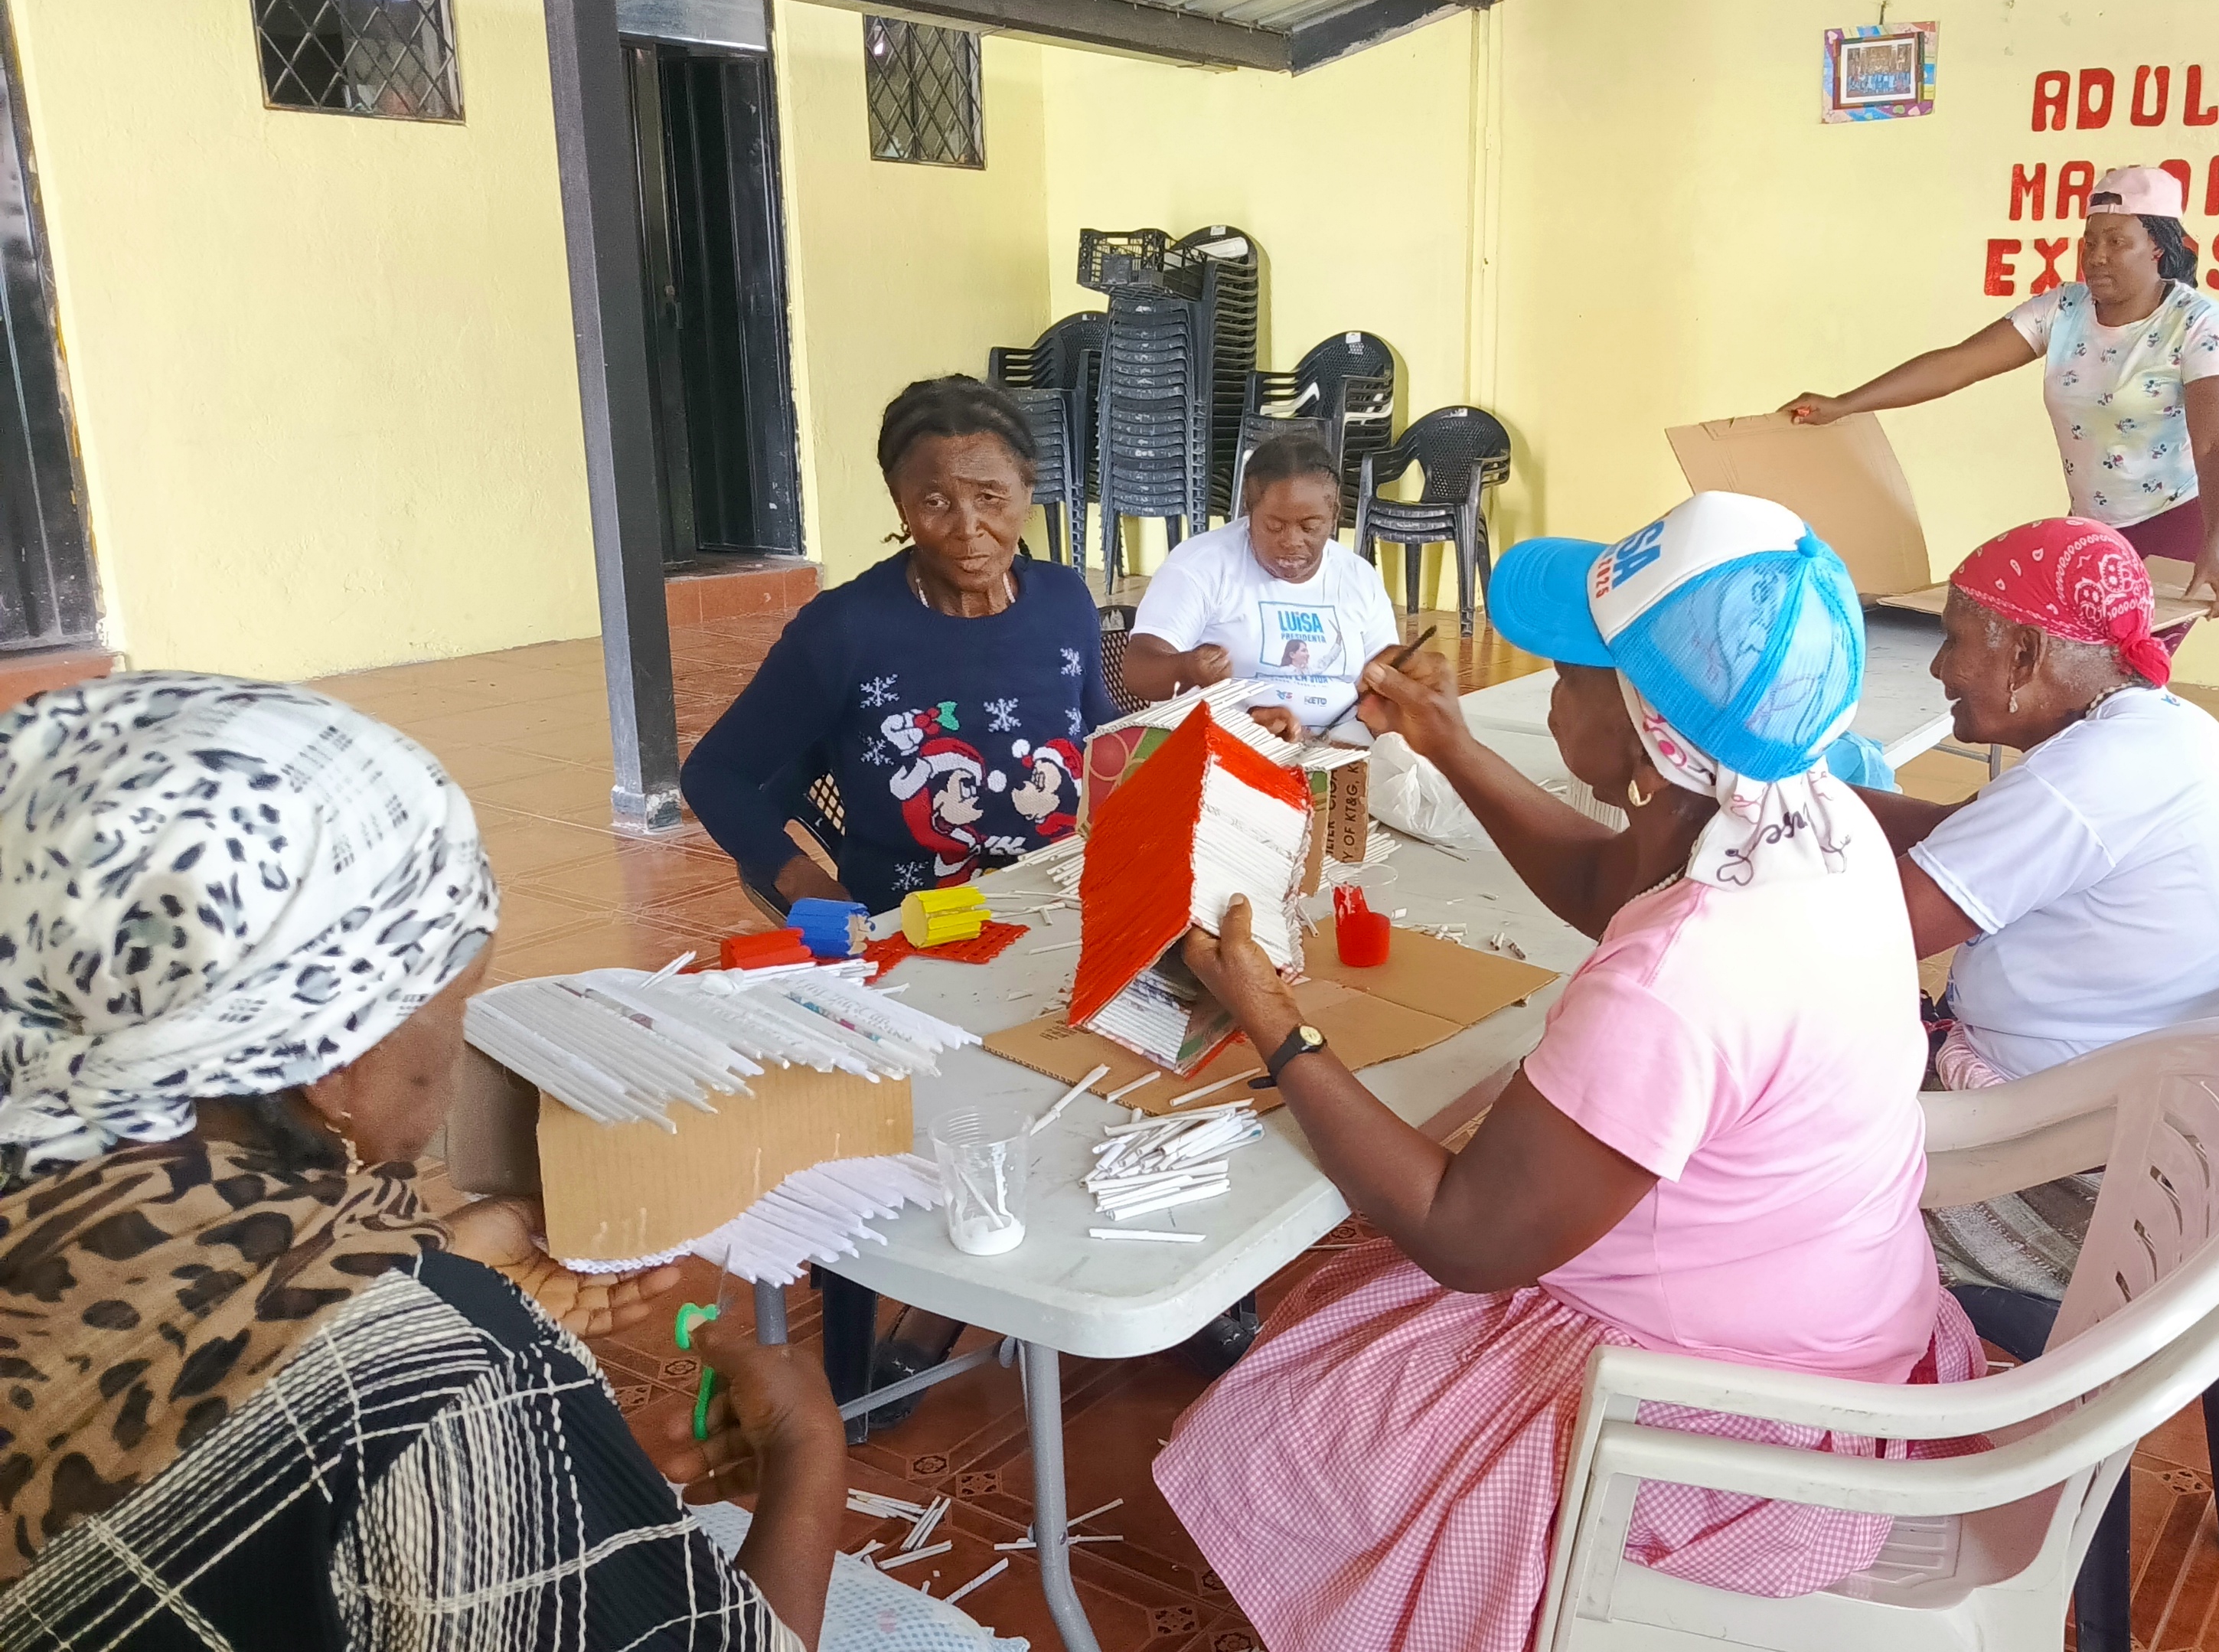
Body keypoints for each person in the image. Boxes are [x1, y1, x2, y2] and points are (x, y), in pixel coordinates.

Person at [1152, 492, 1982, 1652]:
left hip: (1735, 1428)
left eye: (1575, 672)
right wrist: (1449, 742)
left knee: (1298, 1416)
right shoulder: (1807, 814)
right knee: (1350, 1289)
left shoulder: (1682, 976)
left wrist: (1275, 1022)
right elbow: (1608, 888)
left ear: (1645, 729)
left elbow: (1467, 1238)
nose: (1551, 687)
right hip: (1845, 1327)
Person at [0, 674, 847, 1650]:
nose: (456, 1043)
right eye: (458, 997)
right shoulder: (430, 1384)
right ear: (338, 1060)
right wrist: (807, 1453)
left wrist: (412, 1286)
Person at [1852, 517, 2219, 1294]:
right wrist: (1802, 793)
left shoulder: (2085, 780)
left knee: (1746, 1172)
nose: (1940, 670)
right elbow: (1961, 835)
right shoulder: (2165, 731)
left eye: (1952, 641)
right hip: (2156, 1152)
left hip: (2065, 1190)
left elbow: (1866, 940)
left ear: (2025, 653)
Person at [685, 375, 1120, 913]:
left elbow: (1104, 737)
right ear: (901, 506)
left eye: (990, 497)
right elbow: (715, 774)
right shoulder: (845, 630)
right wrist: (800, 879)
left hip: (1065, 904)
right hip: (912, 928)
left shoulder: (1064, 601)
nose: (968, 528)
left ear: (1027, 490)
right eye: (935, 502)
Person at [1783, 165, 2219, 628]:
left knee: (2131, 658)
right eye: (2090, 243)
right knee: (2074, 656)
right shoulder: (2063, 309)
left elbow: (2216, 444)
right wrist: (1845, 404)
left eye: (2117, 242)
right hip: (2094, 528)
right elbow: (1956, 364)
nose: (2097, 257)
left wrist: (2214, 544)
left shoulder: (2198, 323)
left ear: (2158, 247)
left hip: (2183, 527)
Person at [1124, 431, 1404, 741]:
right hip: (1229, 743)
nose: (1292, 541)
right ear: (1249, 508)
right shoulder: (1201, 566)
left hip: (1342, 745)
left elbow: (1383, 676)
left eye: (1310, 527)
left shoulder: (1357, 576)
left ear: (1334, 515)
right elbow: (1138, 671)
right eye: (1275, 526)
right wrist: (1187, 669)